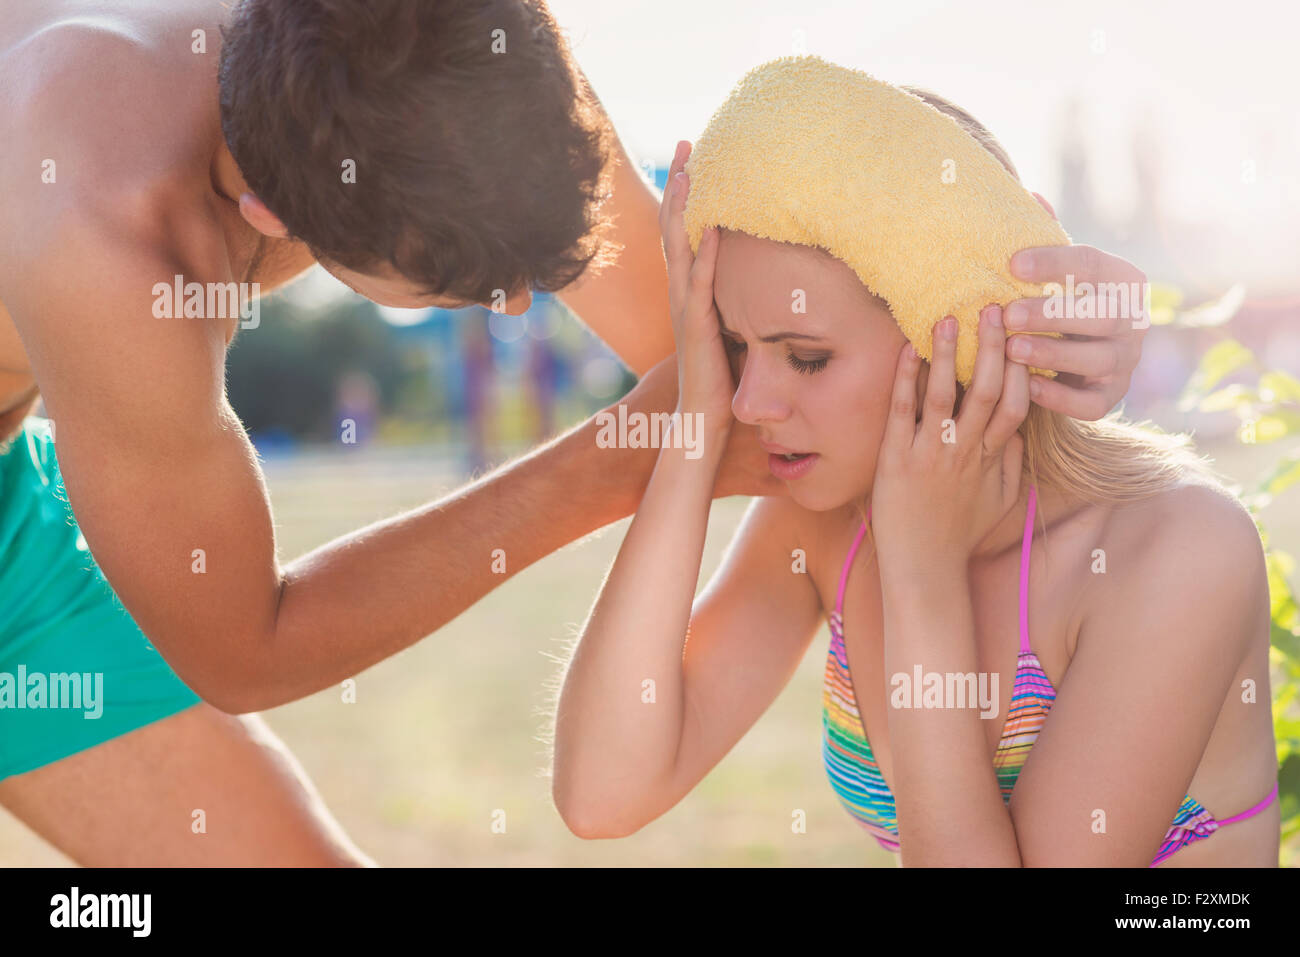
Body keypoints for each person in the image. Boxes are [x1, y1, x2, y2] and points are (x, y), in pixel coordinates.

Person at [0, 3, 1150, 865]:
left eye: (530, 273)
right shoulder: (105, 233)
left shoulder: (452, 50)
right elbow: (242, 646)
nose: (515, 310)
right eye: (462, 290)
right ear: (272, 215)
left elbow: (722, 347)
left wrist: (1031, 300)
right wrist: (616, 460)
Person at [550, 62, 1279, 866]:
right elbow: (601, 791)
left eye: (807, 357)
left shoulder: (1176, 550)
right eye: (732, 343)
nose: (753, 402)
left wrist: (922, 576)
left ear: (957, 330)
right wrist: (696, 417)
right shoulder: (823, 519)